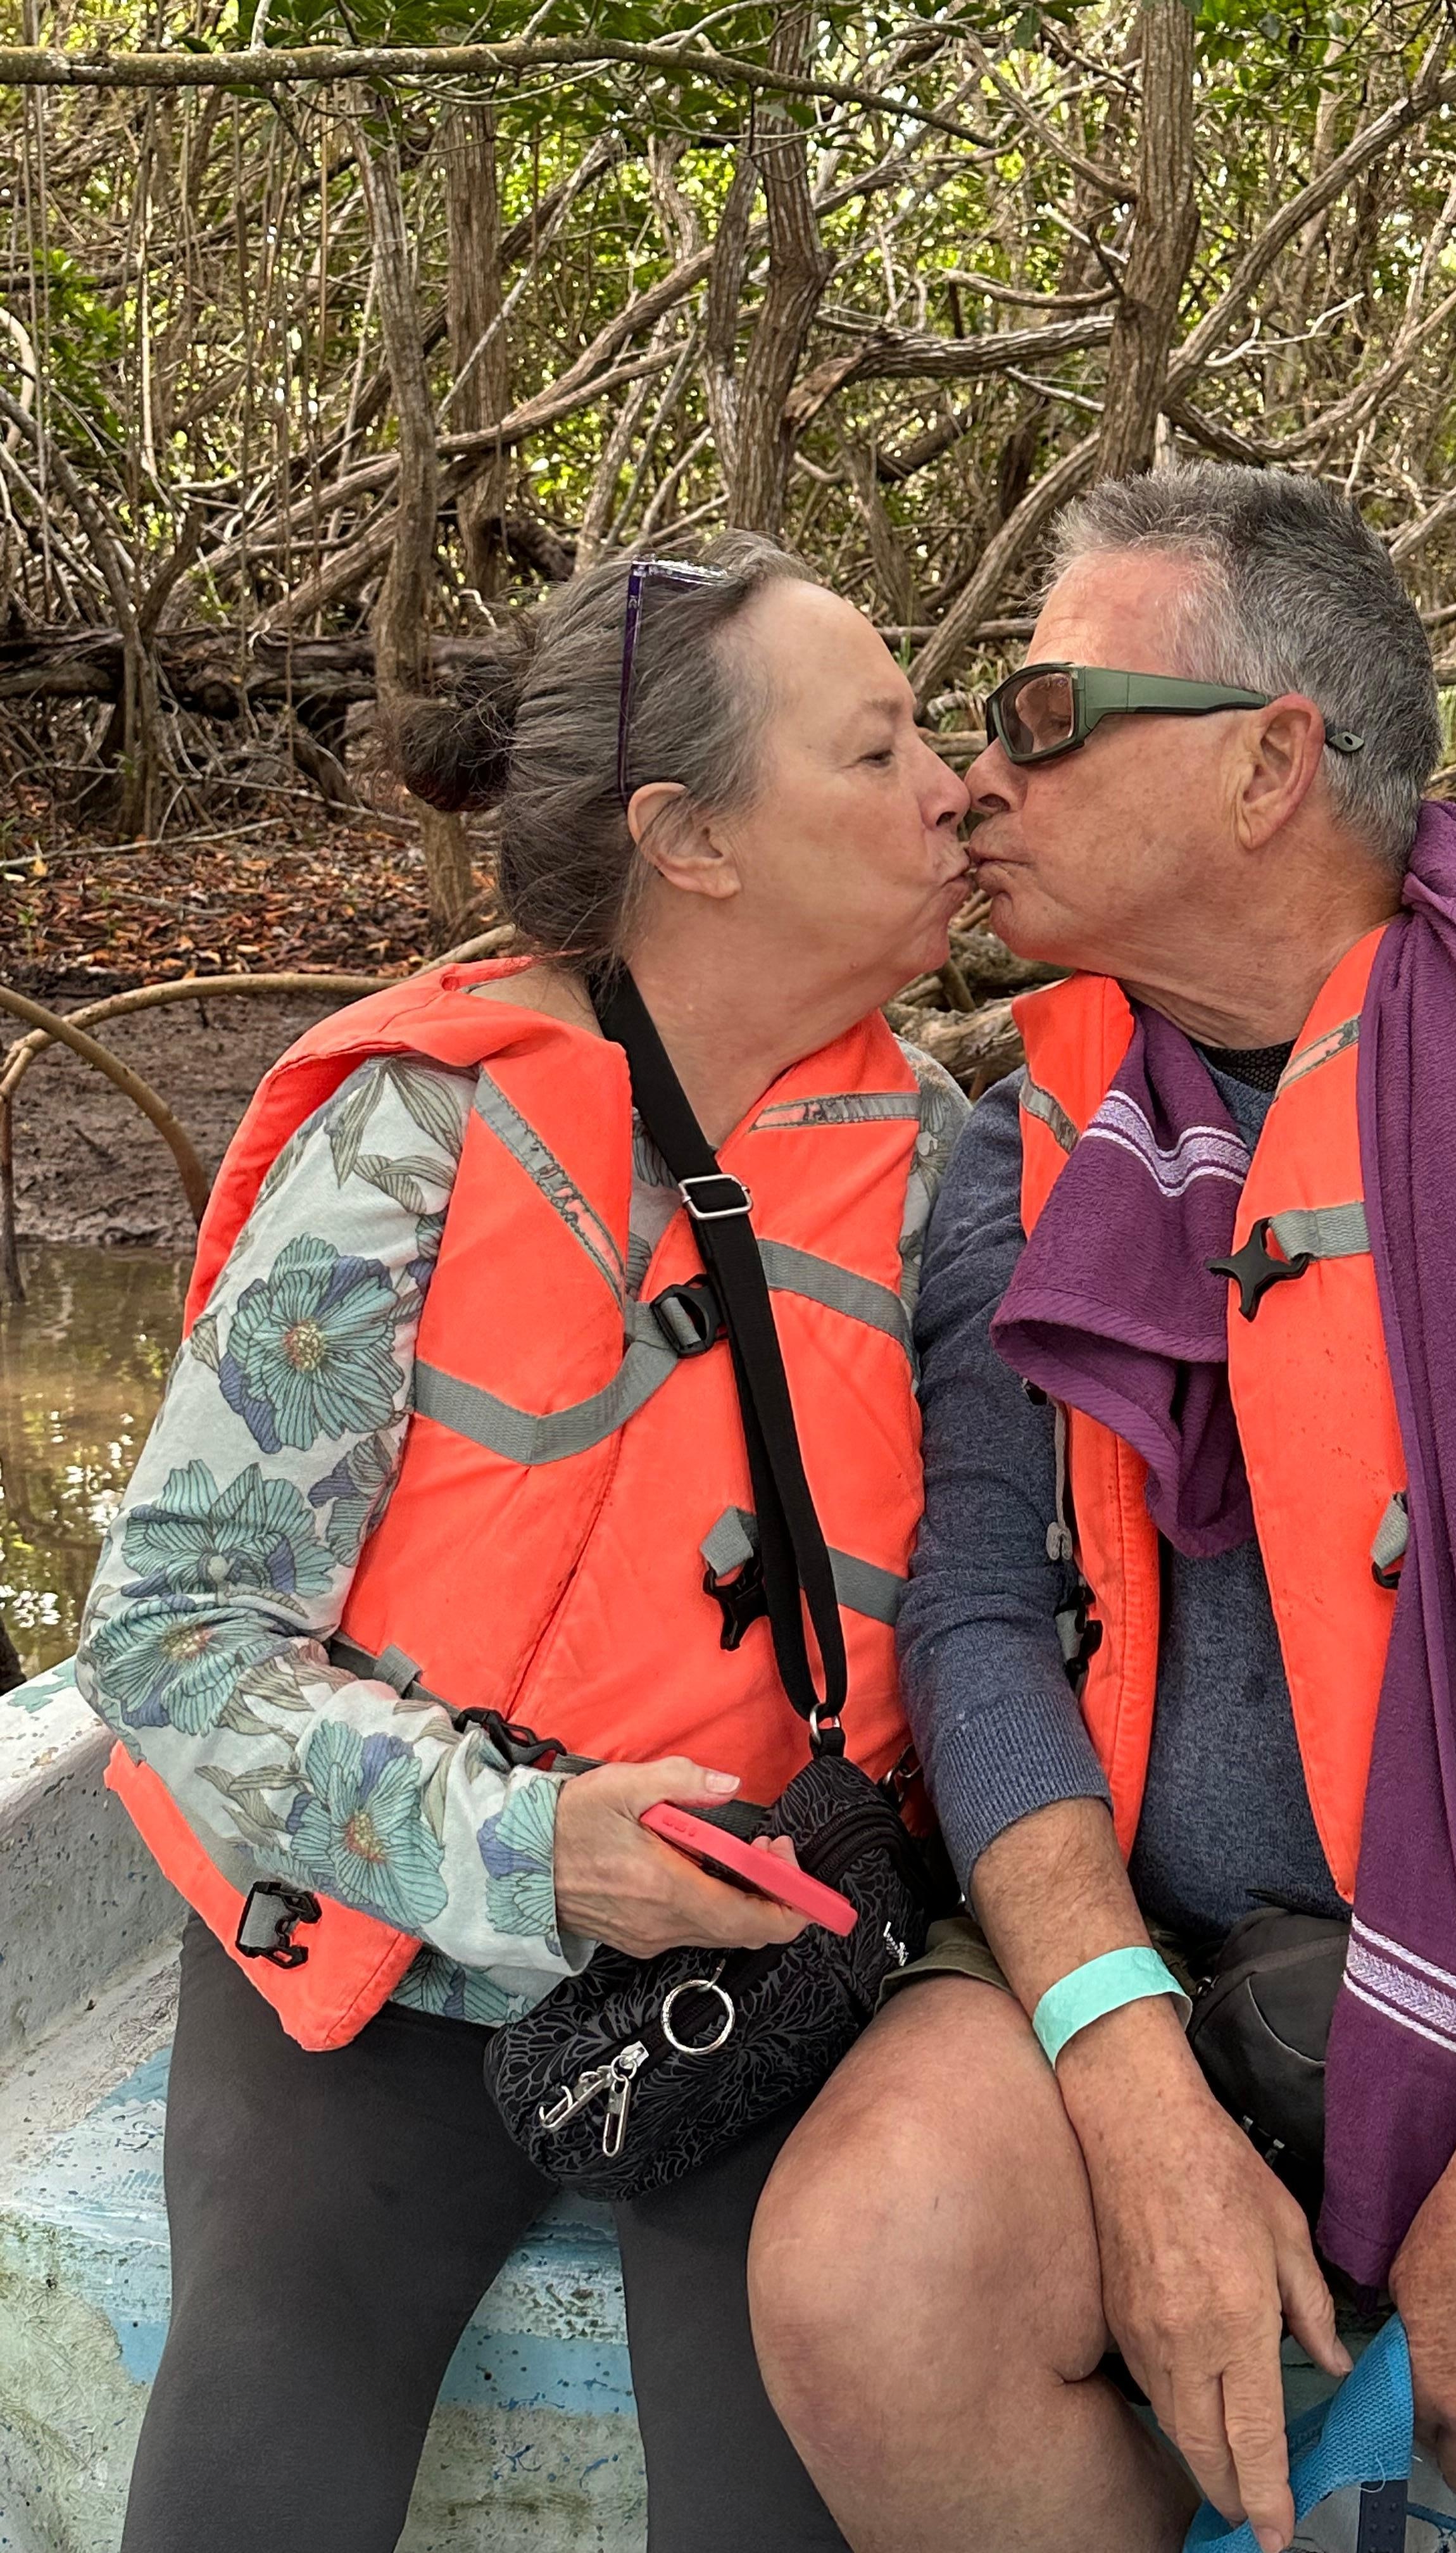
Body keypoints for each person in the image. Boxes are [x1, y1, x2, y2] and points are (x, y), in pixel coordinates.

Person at [748, 465, 1456, 2553]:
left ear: (1272, 761)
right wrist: (1120, 2068)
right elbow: (982, 1623)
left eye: (1034, 718)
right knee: (869, 2276)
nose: (969, 788)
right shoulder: (1022, 1151)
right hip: (1137, 1950)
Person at [76, 533, 972, 2553]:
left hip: (764, 1945)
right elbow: (167, 1633)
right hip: (381, 1938)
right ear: (694, 842)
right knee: (258, 2461)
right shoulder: (411, 1136)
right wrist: (524, 1853)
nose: (957, 789)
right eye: (879, 749)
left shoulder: (947, 1181)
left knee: (777, 2498)